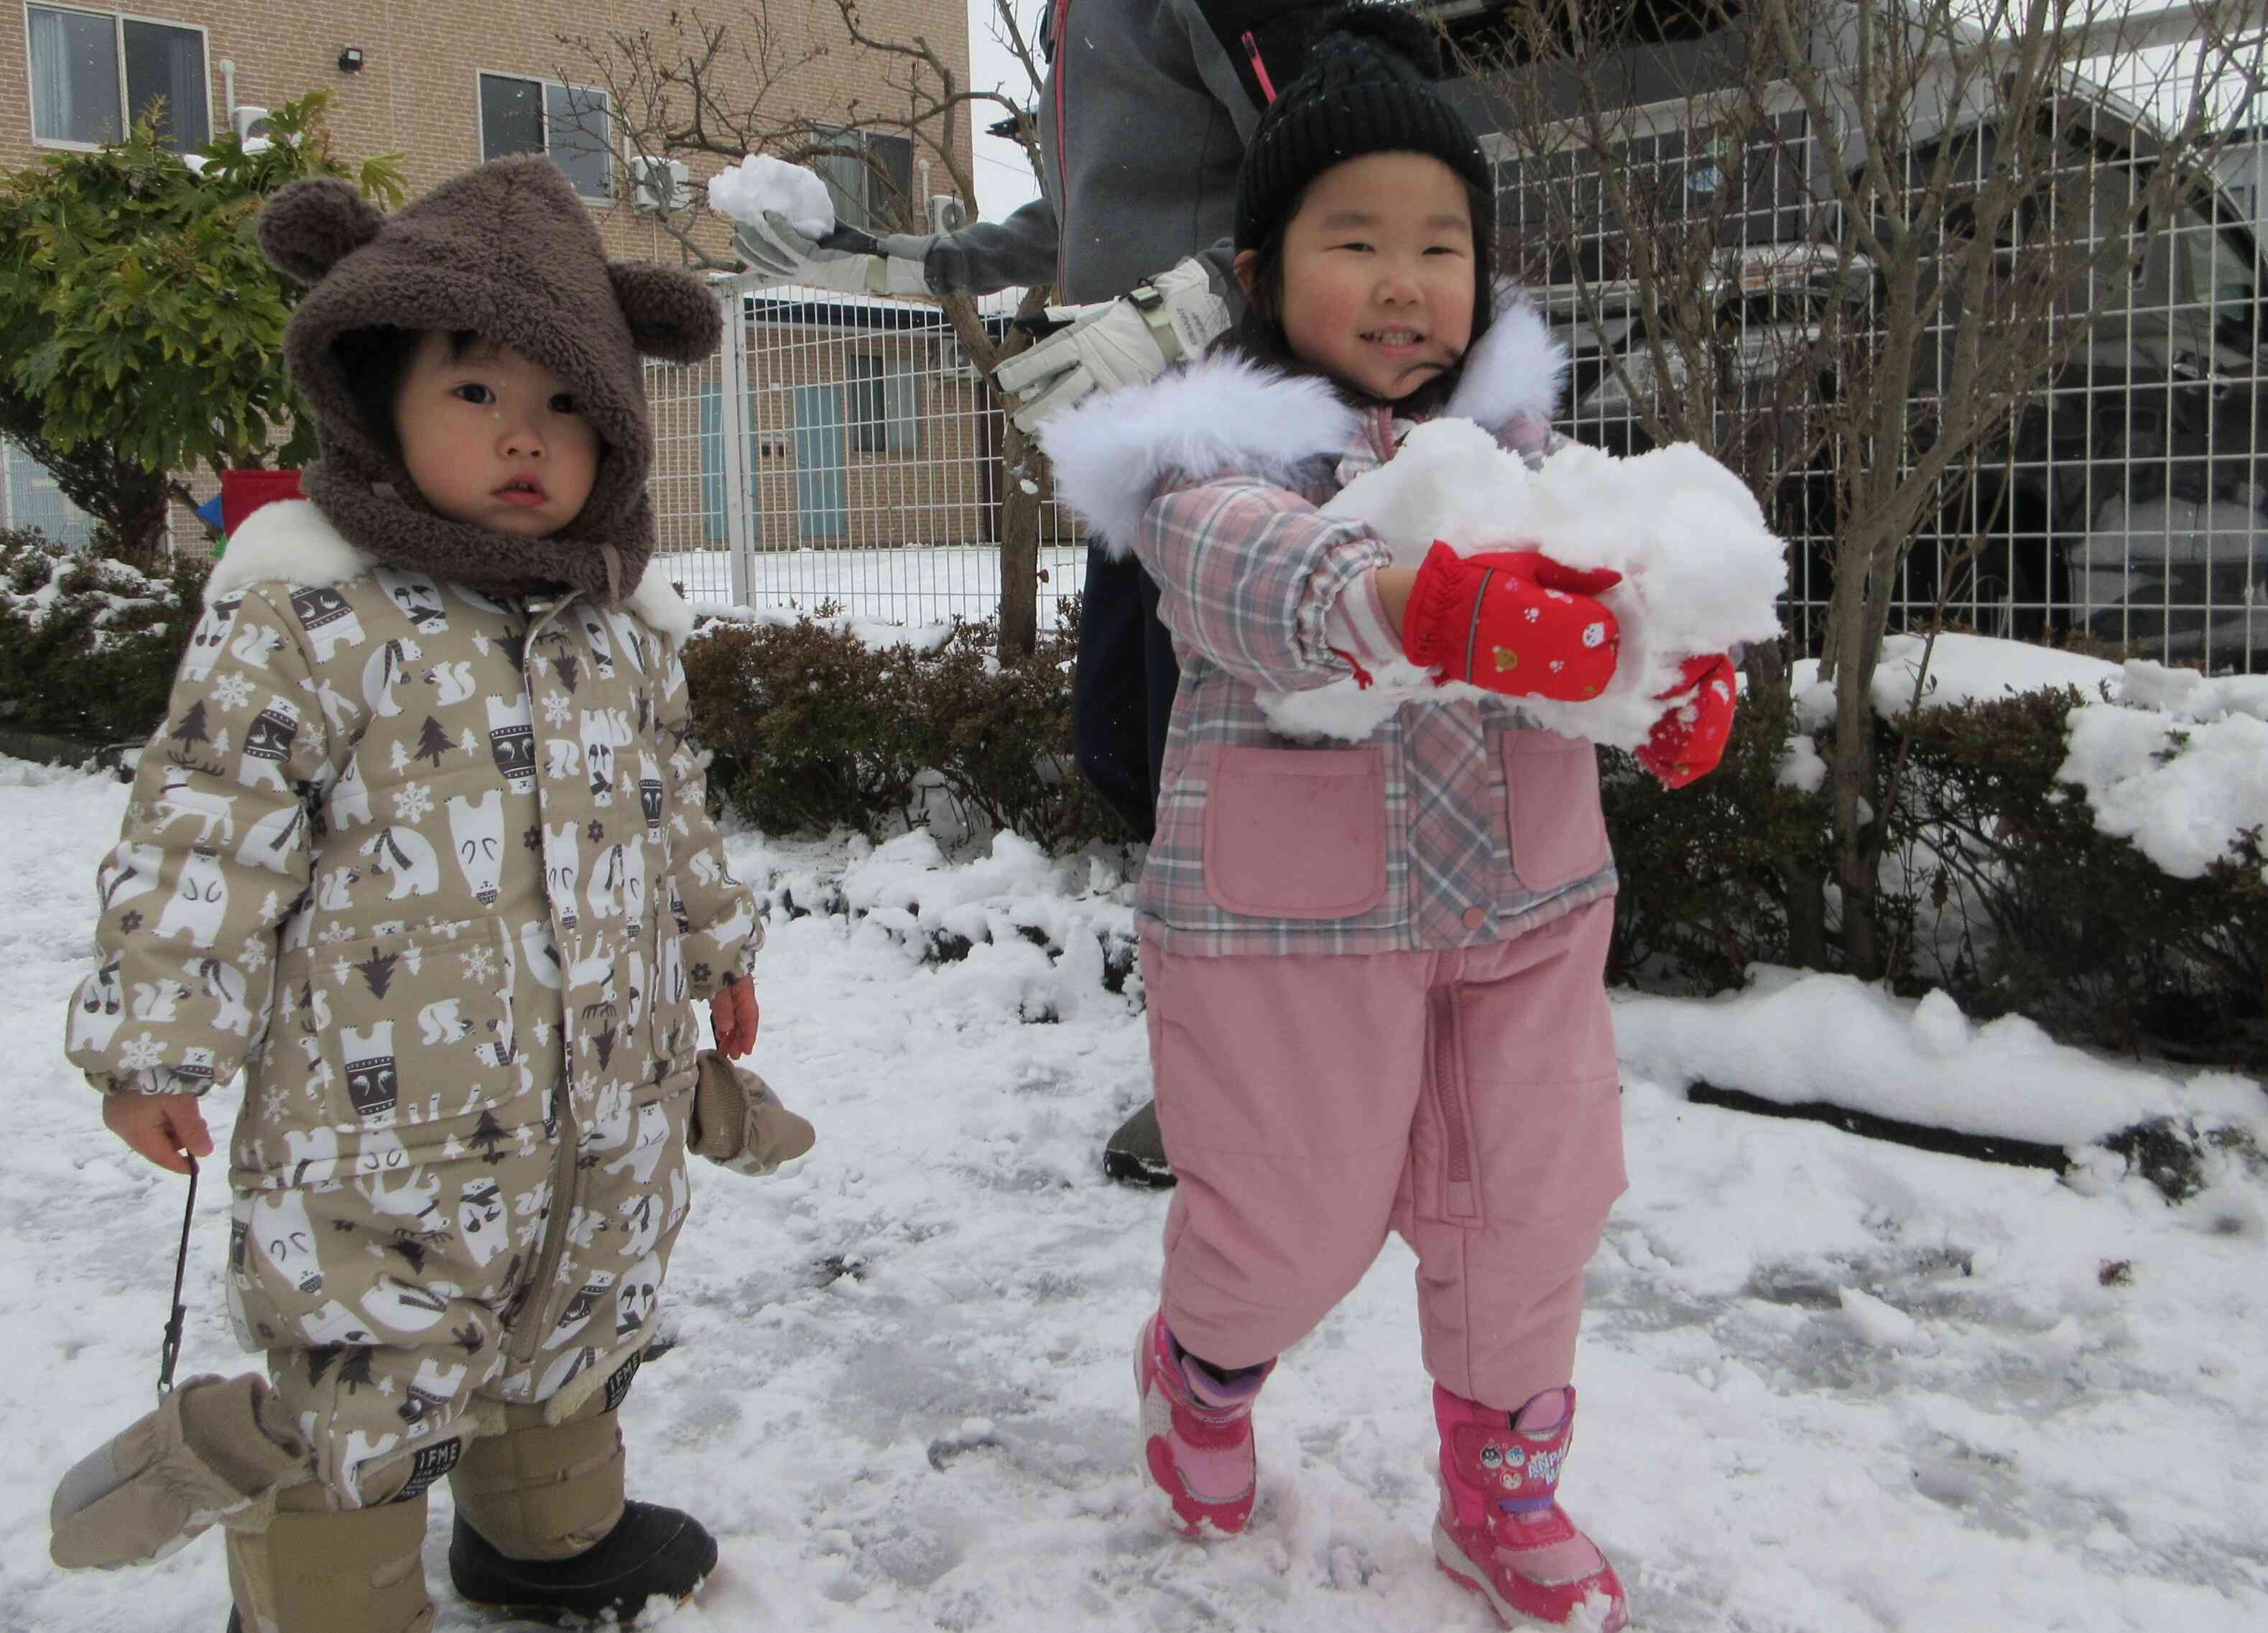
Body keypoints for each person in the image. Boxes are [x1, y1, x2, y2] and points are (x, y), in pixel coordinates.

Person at [1034, 9, 1738, 1629]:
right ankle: (1205, 1373)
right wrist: (1416, 601)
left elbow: (1621, 597)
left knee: (1532, 1205)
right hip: (1288, 933)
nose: (1408, 278)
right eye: (1357, 240)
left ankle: (1504, 1495)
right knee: (1288, 1213)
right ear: (1269, 270)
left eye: (1441, 243)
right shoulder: (1211, 461)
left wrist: (1666, 674)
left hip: (1526, 908)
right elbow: (1249, 579)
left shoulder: (1530, 460)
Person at [62, 155, 764, 1633]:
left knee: (575, 1308)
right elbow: (206, 830)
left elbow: (674, 810)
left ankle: (547, 1534)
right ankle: (327, 1607)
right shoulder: (311, 610)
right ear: (378, 395)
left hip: (607, 1096)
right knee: (360, 1360)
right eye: (477, 395)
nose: (528, 437)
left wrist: (717, 953)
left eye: (569, 403)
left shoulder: (619, 625)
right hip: (380, 1124)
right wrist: (155, 1044)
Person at [733, 0, 1330, 1188]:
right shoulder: (1072, 15)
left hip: (1240, 423)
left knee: (1215, 773)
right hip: (1137, 442)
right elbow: (1078, 221)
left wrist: (1185, 307)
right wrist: (879, 256)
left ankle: (1256, 1075)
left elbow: (1320, 156)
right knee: (1120, 748)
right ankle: (1256, 1042)